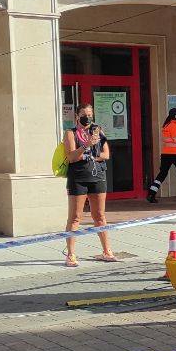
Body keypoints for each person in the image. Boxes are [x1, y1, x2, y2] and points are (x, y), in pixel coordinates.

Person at [63, 103, 118, 266]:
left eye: (90, 114)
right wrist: (86, 146)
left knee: (100, 215)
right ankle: (71, 254)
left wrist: (91, 155)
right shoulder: (70, 133)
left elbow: (106, 154)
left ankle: (107, 251)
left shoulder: (98, 131)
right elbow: (72, 157)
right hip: (78, 177)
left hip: (98, 176)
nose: (88, 117)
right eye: (84, 114)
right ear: (77, 116)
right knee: (75, 217)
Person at [146, 108, 176, 204]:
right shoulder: (174, 126)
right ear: (175, 116)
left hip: (166, 154)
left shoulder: (166, 125)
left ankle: (151, 193)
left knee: (162, 174)